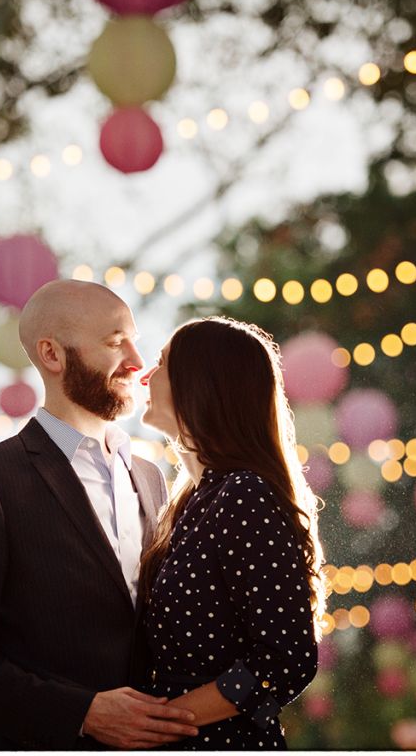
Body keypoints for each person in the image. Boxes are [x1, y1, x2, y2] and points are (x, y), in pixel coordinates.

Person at [0, 280, 199, 750]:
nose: (137, 361)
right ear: (52, 354)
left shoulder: (151, 476)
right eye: (115, 343)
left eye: (135, 340)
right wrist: (82, 713)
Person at [137, 316, 326, 749]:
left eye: (162, 363)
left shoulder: (243, 494)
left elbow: (286, 660)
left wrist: (159, 720)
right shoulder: (191, 501)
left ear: (201, 382)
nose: (146, 375)